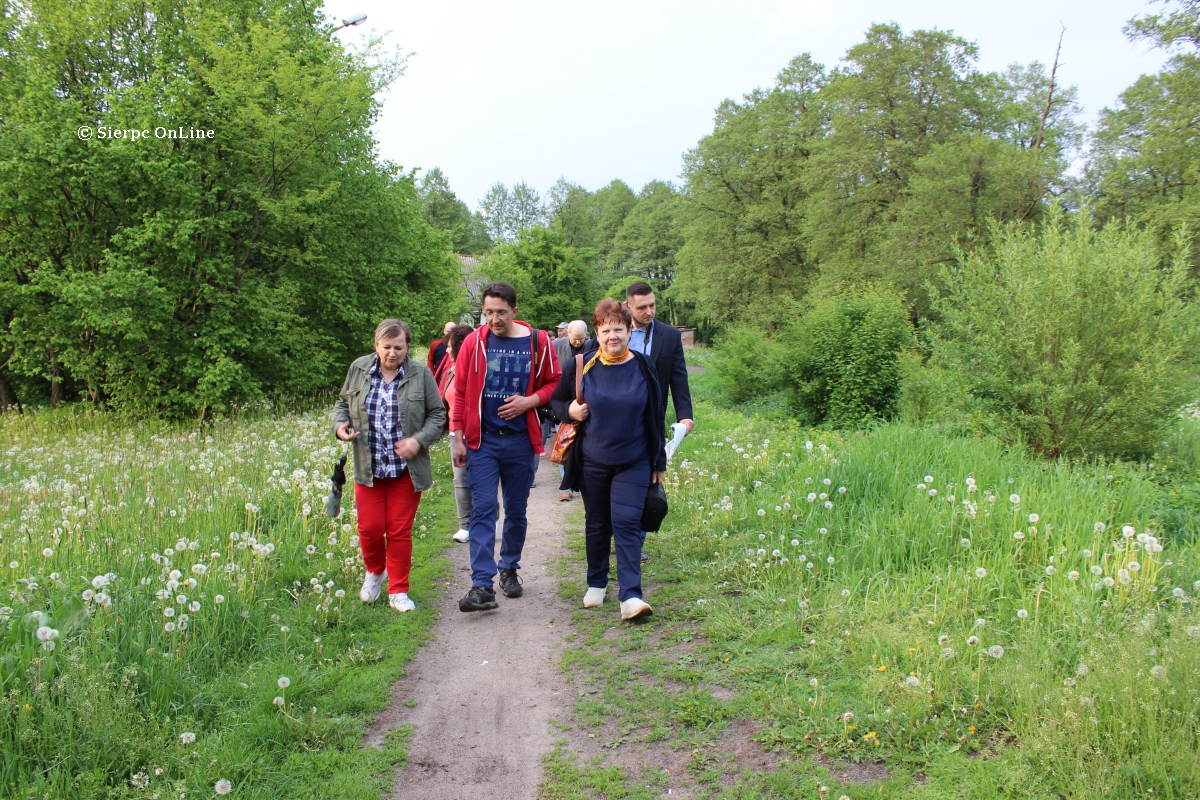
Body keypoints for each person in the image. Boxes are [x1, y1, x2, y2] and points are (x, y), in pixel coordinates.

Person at [552, 299, 665, 620]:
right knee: (598, 524)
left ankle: (630, 596)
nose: (612, 335)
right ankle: (596, 583)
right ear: (597, 334)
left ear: (630, 332)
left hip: (635, 461)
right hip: (592, 463)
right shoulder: (581, 365)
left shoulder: (644, 366)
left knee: (628, 524)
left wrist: (658, 461)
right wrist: (569, 410)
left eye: (619, 329)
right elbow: (556, 401)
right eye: (606, 330)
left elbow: (655, 415)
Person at [451, 282, 561, 612]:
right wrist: (458, 437)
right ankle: (481, 585)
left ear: (515, 310)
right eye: (488, 313)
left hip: (519, 442)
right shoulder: (474, 342)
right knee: (484, 509)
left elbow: (555, 383)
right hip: (482, 443)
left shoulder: (538, 342)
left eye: (501, 312)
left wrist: (529, 401)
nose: (494, 319)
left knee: (516, 510)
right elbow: (460, 393)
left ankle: (509, 569)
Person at [333, 319, 446, 613]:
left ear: (407, 346)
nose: (392, 353)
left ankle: (398, 590)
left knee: (398, 531)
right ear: (376, 345)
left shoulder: (420, 373)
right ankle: (375, 571)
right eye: (386, 347)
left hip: (405, 470)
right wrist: (340, 426)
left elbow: (437, 415)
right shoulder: (358, 369)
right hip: (368, 467)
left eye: (398, 347)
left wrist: (418, 441)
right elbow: (342, 405)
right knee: (369, 529)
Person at [625, 281, 694, 562]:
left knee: (646, 481)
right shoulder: (614, 330)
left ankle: (635, 542)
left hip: (651, 421)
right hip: (615, 419)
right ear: (628, 306)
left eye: (652, 305)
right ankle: (615, 532)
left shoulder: (668, 336)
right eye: (642, 307)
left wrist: (685, 416)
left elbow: (679, 377)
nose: (649, 311)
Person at [439, 324, 476, 544]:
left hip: (476, 432)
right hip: (455, 432)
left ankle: (489, 518)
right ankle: (465, 525)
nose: (446, 350)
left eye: (449, 346)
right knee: (460, 479)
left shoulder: (475, 370)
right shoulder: (451, 369)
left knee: (482, 479)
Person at [552, 320, 589, 501]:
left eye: (581, 340)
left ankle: (582, 481)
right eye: (574, 339)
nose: (577, 343)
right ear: (567, 334)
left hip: (586, 404)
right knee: (565, 444)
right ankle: (565, 488)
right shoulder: (556, 346)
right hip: (565, 403)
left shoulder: (591, 347)